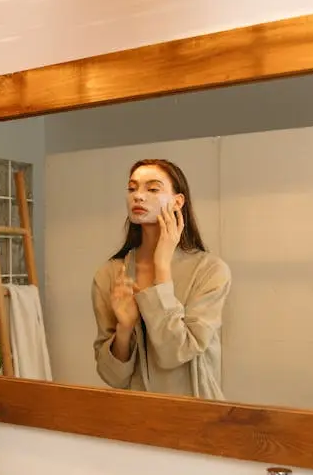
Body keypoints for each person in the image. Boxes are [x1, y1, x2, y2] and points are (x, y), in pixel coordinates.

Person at [91, 158, 231, 400]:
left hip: (198, 416)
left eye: (153, 189)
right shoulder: (110, 275)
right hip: (137, 417)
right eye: (132, 188)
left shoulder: (210, 271)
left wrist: (162, 267)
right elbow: (111, 376)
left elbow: (175, 353)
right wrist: (124, 330)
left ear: (178, 201)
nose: (138, 196)